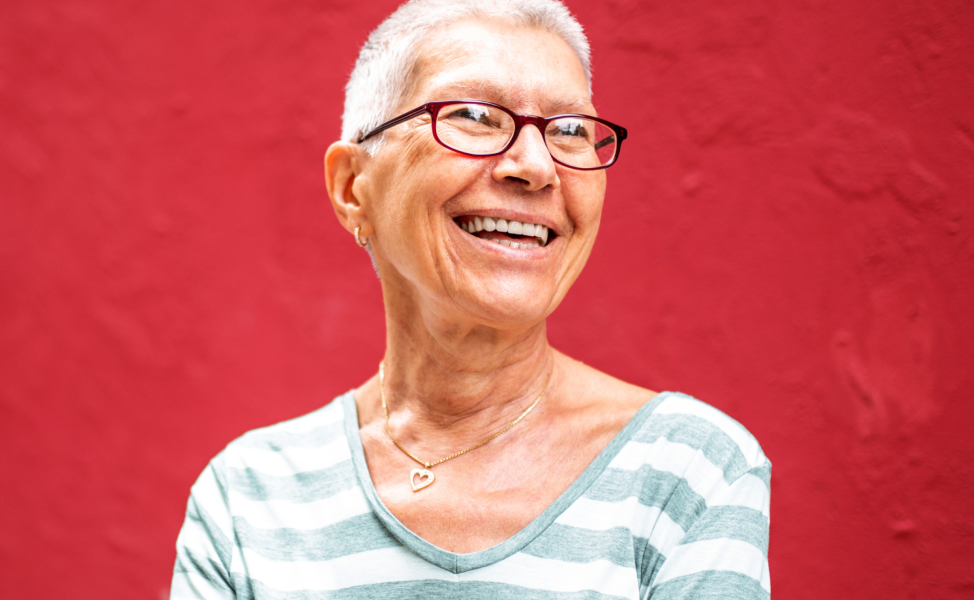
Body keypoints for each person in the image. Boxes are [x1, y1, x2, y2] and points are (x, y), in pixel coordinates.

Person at [172, 1, 770, 597]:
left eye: (570, 130)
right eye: (476, 116)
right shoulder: (250, 502)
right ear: (353, 187)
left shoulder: (690, 474)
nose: (537, 167)